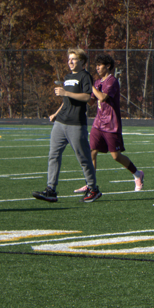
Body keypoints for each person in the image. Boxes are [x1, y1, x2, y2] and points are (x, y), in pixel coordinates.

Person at [33, 48, 101, 203]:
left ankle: (93, 188)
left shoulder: (85, 76)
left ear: (82, 62)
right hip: (60, 122)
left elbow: (86, 97)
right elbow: (66, 102)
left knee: (83, 158)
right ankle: (51, 190)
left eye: (74, 59)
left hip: (76, 124)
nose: (70, 61)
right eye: (69, 59)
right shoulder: (67, 76)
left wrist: (66, 93)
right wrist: (56, 114)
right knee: (53, 155)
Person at [75, 54, 144, 194]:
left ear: (108, 66)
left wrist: (91, 86)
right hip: (98, 123)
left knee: (116, 156)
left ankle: (137, 174)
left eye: (100, 65)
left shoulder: (112, 81)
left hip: (111, 124)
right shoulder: (97, 82)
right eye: (96, 65)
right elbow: (92, 101)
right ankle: (91, 184)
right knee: (91, 153)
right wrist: (83, 91)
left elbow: (103, 97)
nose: (97, 68)